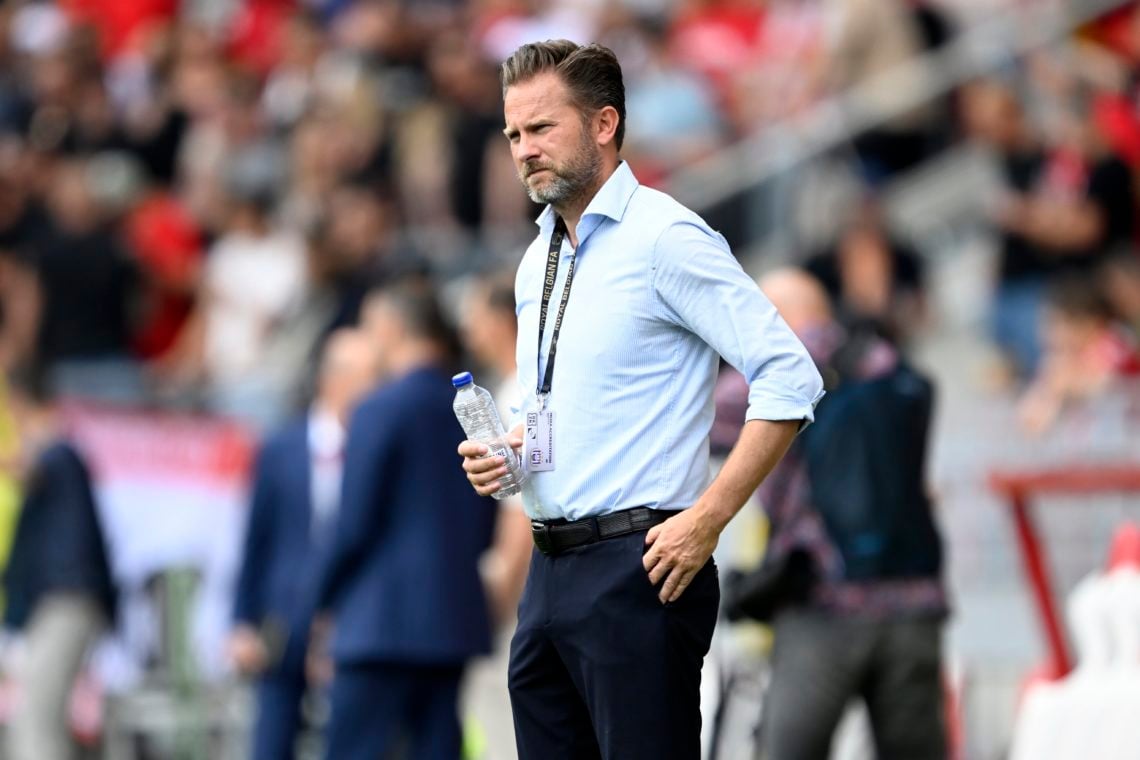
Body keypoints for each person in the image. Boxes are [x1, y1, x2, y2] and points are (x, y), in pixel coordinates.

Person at [458, 40, 824, 759]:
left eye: (542, 128)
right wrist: (513, 454)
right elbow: (565, 409)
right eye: (513, 134)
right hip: (548, 570)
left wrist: (708, 520)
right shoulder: (538, 259)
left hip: (642, 562)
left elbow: (791, 376)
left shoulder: (666, 236)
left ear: (604, 124)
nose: (523, 149)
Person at [726, 268, 947, 760]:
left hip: (824, 604)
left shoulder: (779, 368)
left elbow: (695, 416)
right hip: (914, 599)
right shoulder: (889, 365)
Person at [315, 280, 496, 760]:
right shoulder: (472, 409)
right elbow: (486, 517)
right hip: (450, 620)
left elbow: (353, 524)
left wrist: (318, 599)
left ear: (391, 329)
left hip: (377, 625)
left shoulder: (377, 408)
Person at [228, 328, 378, 760]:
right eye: (368, 376)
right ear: (334, 379)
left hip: (348, 621)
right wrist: (242, 620)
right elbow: (257, 537)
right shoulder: (281, 448)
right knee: (271, 741)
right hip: (282, 621)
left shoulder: (376, 445)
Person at [2, 377, 117, 760]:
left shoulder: (61, 453)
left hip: (68, 602)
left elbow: (30, 466)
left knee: (37, 719)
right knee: (34, 718)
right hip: (56, 603)